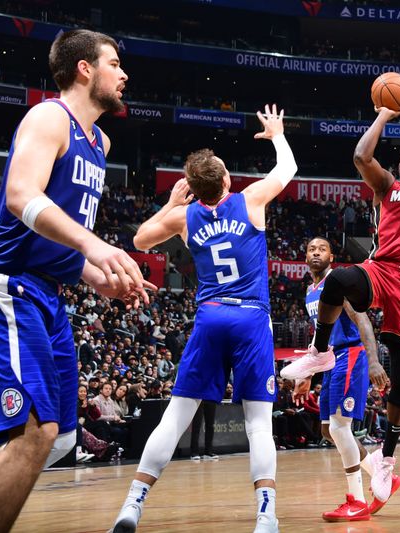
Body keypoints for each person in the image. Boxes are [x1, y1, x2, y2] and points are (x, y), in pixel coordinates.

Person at [0, 30, 151, 533]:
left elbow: (58, 242)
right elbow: (22, 197)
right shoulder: (49, 117)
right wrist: (94, 246)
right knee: (35, 433)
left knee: (61, 437)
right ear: (84, 69)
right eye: (114, 64)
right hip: (4, 283)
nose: (124, 73)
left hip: (46, 290)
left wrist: (97, 277)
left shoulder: (100, 143)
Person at [110, 104, 297, 533]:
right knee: (257, 424)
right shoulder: (251, 200)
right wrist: (277, 134)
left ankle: (132, 506)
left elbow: (139, 238)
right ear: (228, 181)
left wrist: (171, 203)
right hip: (251, 318)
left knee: (175, 417)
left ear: (192, 188)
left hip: (210, 316)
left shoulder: (183, 217)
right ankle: (266, 515)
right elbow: (288, 167)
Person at [280, 70, 400, 505]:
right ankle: (319, 352)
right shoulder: (388, 187)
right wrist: (384, 113)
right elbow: (361, 155)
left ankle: (387, 457)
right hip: (380, 267)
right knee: (337, 279)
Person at [292, 237, 389, 520]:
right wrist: (309, 372)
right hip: (331, 359)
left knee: (338, 427)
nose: (316, 252)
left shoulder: (338, 281)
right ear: (305, 257)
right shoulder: (311, 290)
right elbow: (319, 334)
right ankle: (382, 475)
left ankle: (356, 500)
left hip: (351, 355)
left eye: (322, 249)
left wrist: (373, 361)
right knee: (327, 430)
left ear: (331, 257)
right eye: (311, 248)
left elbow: (362, 321)